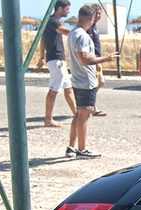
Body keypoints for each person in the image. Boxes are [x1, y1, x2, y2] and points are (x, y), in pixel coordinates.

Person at [66, 5, 119, 159]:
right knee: (84, 116)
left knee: (79, 114)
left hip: (77, 78)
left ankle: (72, 146)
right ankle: (82, 150)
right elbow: (84, 59)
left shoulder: (72, 33)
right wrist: (105, 58)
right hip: (85, 80)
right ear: (91, 19)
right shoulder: (82, 36)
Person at [37, 0, 76, 127]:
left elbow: (42, 39)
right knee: (54, 90)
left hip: (57, 60)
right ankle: (48, 119)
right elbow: (64, 31)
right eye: (67, 9)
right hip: (56, 60)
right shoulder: (53, 21)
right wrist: (79, 33)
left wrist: (42, 57)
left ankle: (77, 114)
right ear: (60, 8)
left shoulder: (52, 21)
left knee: (68, 88)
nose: (69, 11)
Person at [87, 4, 106, 116]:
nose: (98, 16)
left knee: (100, 82)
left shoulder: (94, 26)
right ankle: (92, 107)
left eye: (100, 13)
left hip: (97, 59)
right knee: (95, 83)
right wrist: (96, 61)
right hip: (93, 60)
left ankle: (90, 105)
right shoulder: (89, 27)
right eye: (96, 13)